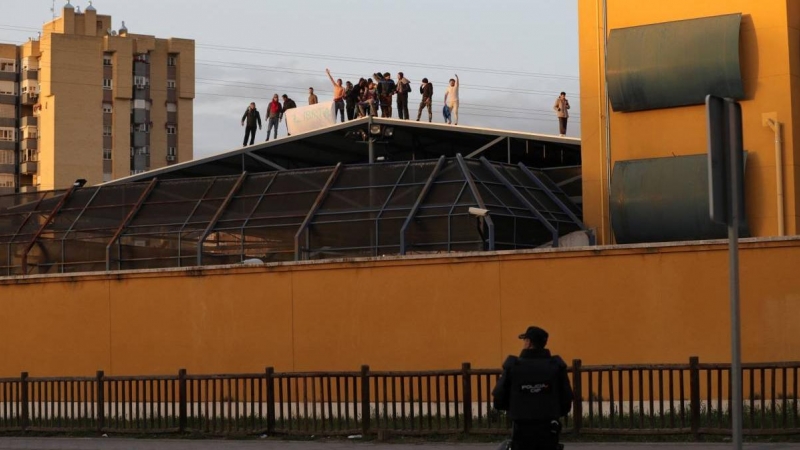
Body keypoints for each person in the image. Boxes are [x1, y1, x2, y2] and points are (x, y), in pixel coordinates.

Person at [492, 326, 573, 450]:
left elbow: (498, 398)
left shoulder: (514, 365)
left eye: (524, 340)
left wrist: (515, 407)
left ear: (528, 342)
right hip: (549, 428)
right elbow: (566, 400)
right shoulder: (556, 366)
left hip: (521, 429)